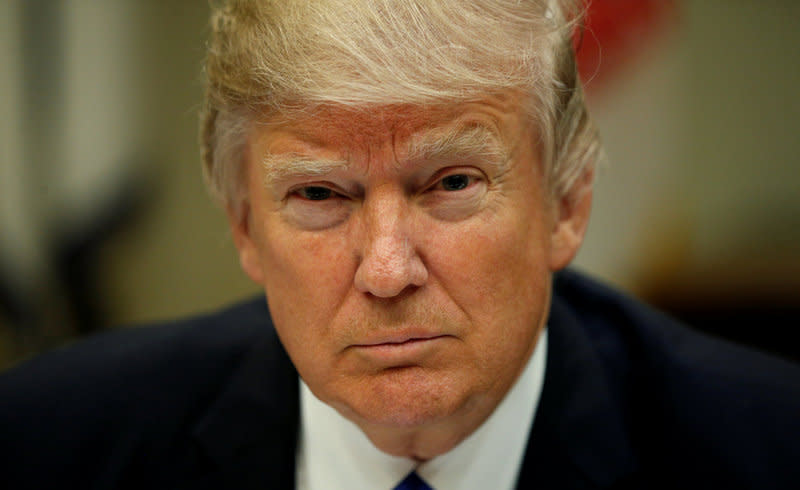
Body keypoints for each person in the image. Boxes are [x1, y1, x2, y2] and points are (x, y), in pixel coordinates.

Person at [1, 1, 799, 489]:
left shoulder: (766, 452)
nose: (387, 270)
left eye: (451, 185)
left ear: (566, 203)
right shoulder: (52, 445)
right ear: (244, 226)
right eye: (319, 194)